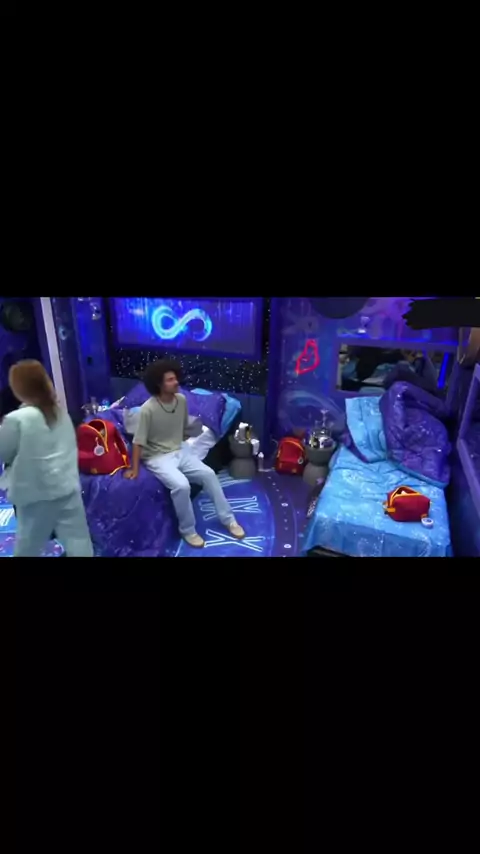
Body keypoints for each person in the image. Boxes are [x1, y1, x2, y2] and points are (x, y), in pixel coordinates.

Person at [125, 359, 245, 548]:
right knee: (181, 486)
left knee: (209, 474)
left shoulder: (180, 400)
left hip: (179, 449)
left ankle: (229, 520)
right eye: (170, 380)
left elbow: (181, 427)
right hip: (157, 457)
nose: (176, 383)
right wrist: (134, 469)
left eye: (175, 378)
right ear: (159, 385)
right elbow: (138, 441)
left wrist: (187, 434)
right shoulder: (147, 410)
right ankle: (188, 530)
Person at [0, 360, 93, 557]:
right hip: (67, 487)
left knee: (27, 547)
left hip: (35, 494)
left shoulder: (17, 419)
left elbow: (3, 452)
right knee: (79, 543)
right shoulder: (60, 413)